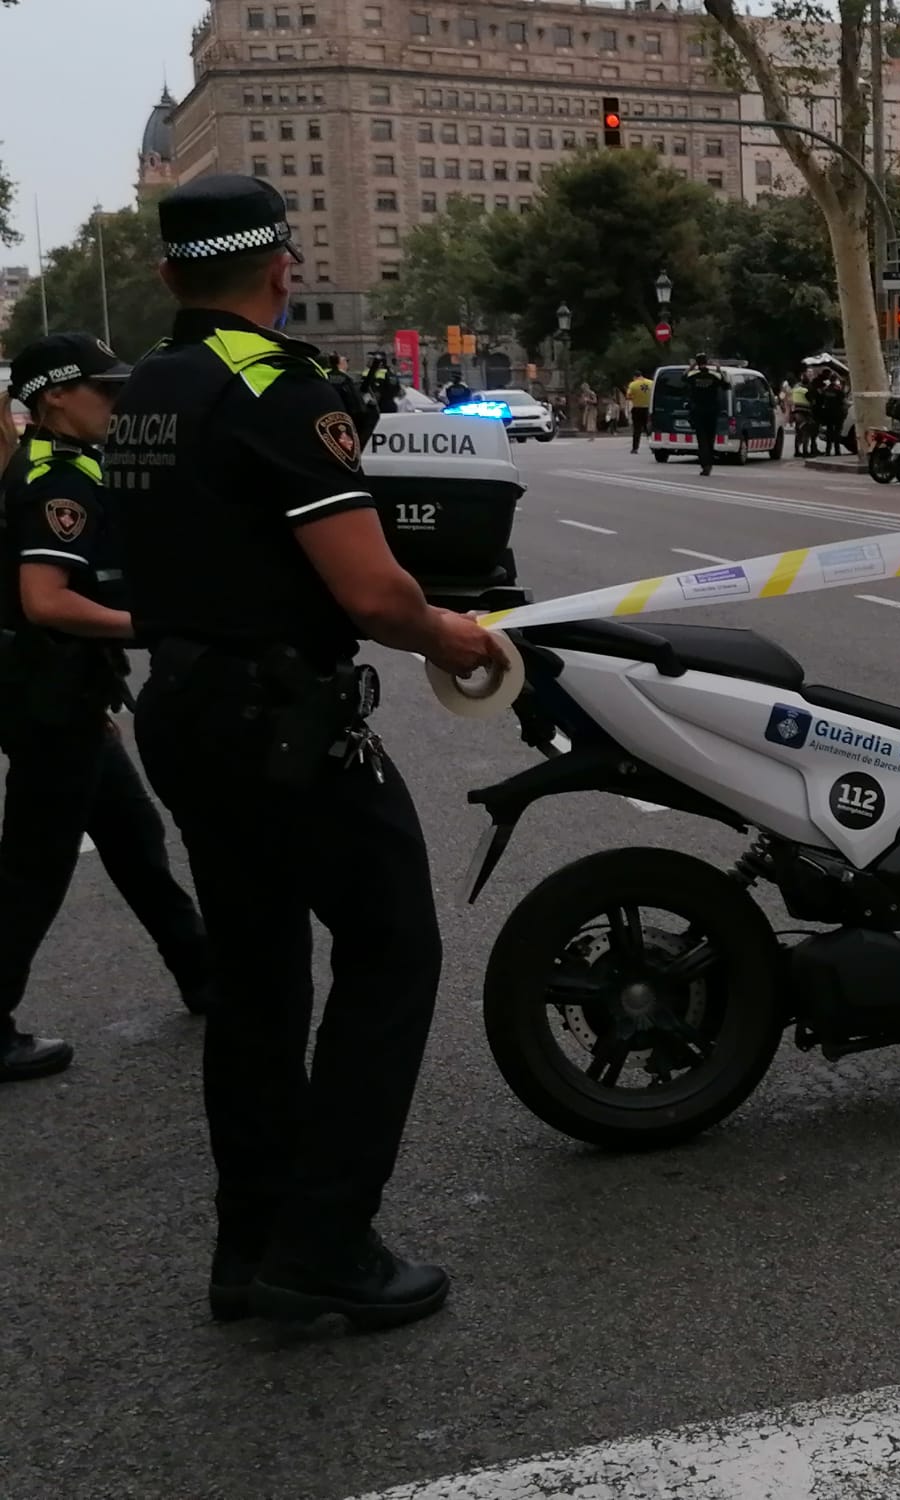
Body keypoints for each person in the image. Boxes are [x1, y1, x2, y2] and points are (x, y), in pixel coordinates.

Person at [102, 175, 506, 1330]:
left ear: (171, 273)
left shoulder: (146, 391)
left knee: (258, 982)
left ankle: (252, 1247)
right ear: (282, 269)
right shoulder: (279, 387)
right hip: (278, 721)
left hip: (181, 707)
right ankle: (325, 1243)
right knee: (392, 951)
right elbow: (374, 592)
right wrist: (453, 637)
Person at [0, 335, 212, 1083]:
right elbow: (46, 600)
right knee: (34, 868)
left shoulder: (72, 463)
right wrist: (151, 628)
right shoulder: (55, 480)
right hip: (48, 697)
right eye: (105, 391)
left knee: (134, 838)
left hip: (69, 692)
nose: (119, 404)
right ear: (56, 395)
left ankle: (199, 974)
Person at [684, 353, 727, 475]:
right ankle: (709, 463)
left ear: (697, 363)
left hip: (697, 411)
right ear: (707, 362)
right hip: (712, 411)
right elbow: (726, 384)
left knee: (701, 439)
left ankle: (705, 465)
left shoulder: (693, 376)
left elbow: (683, 377)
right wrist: (719, 369)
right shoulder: (714, 376)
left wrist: (691, 367)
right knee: (710, 438)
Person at [625, 367, 654, 455]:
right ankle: (653, 447)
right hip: (648, 409)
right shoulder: (651, 383)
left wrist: (635, 397)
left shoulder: (633, 384)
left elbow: (628, 396)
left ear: (635, 377)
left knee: (637, 430)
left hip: (637, 408)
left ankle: (635, 448)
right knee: (649, 429)